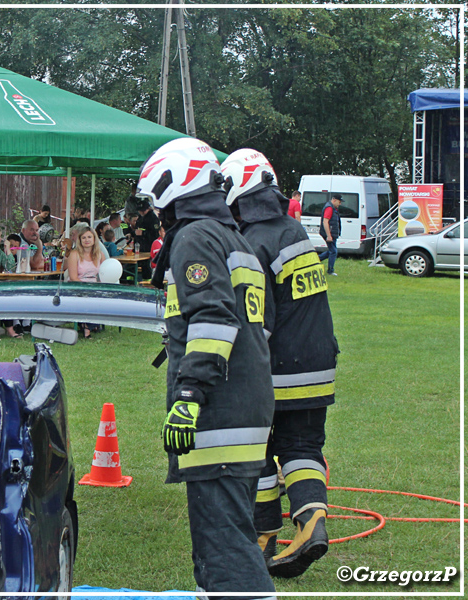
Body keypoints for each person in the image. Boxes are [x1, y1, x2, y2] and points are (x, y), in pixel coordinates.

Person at [139, 138, 276, 599]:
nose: (155, 211)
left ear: (172, 186)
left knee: (226, 550)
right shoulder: (233, 237)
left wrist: (187, 396)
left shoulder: (196, 237)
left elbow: (214, 319)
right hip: (246, 405)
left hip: (218, 412)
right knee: (228, 537)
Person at [221, 148, 337, 580]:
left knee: (259, 450)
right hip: (319, 359)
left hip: (278, 365)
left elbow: (258, 319)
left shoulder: (252, 239)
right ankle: (310, 523)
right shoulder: (292, 229)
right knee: (303, 448)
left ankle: (263, 534)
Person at [318, 194, 342, 276]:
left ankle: (316, 260)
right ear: (334, 200)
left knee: (332, 251)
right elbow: (325, 221)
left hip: (332, 233)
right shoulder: (329, 208)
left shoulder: (333, 208)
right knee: (333, 251)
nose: (340, 204)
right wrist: (328, 235)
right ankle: (330, 270)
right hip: (329, 234)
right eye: (339, 202)